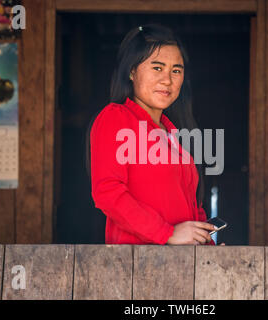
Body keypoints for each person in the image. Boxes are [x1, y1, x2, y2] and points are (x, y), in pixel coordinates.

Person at [89, 23, 218, 245]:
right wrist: (166, 233)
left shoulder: (173, 135)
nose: (167, 80)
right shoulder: (116, 118)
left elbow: (191, 208)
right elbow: (107, 193)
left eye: (176, 70)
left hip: (184, 265)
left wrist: (207, 246)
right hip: (136, 266)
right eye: (157, 68)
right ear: (131, 71)